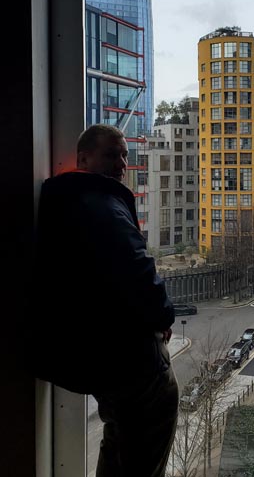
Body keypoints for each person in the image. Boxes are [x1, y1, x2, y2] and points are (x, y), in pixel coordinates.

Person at [33, 124, 178, 477]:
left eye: (125, 155)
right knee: (143, 443)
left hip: (99, 357)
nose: (122, 163)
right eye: (112, 154)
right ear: (83, 158)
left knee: (119, 442)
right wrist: (163, 316)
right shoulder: (101, 205)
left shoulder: (66, 202)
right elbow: (135, 267)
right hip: (129, 359)